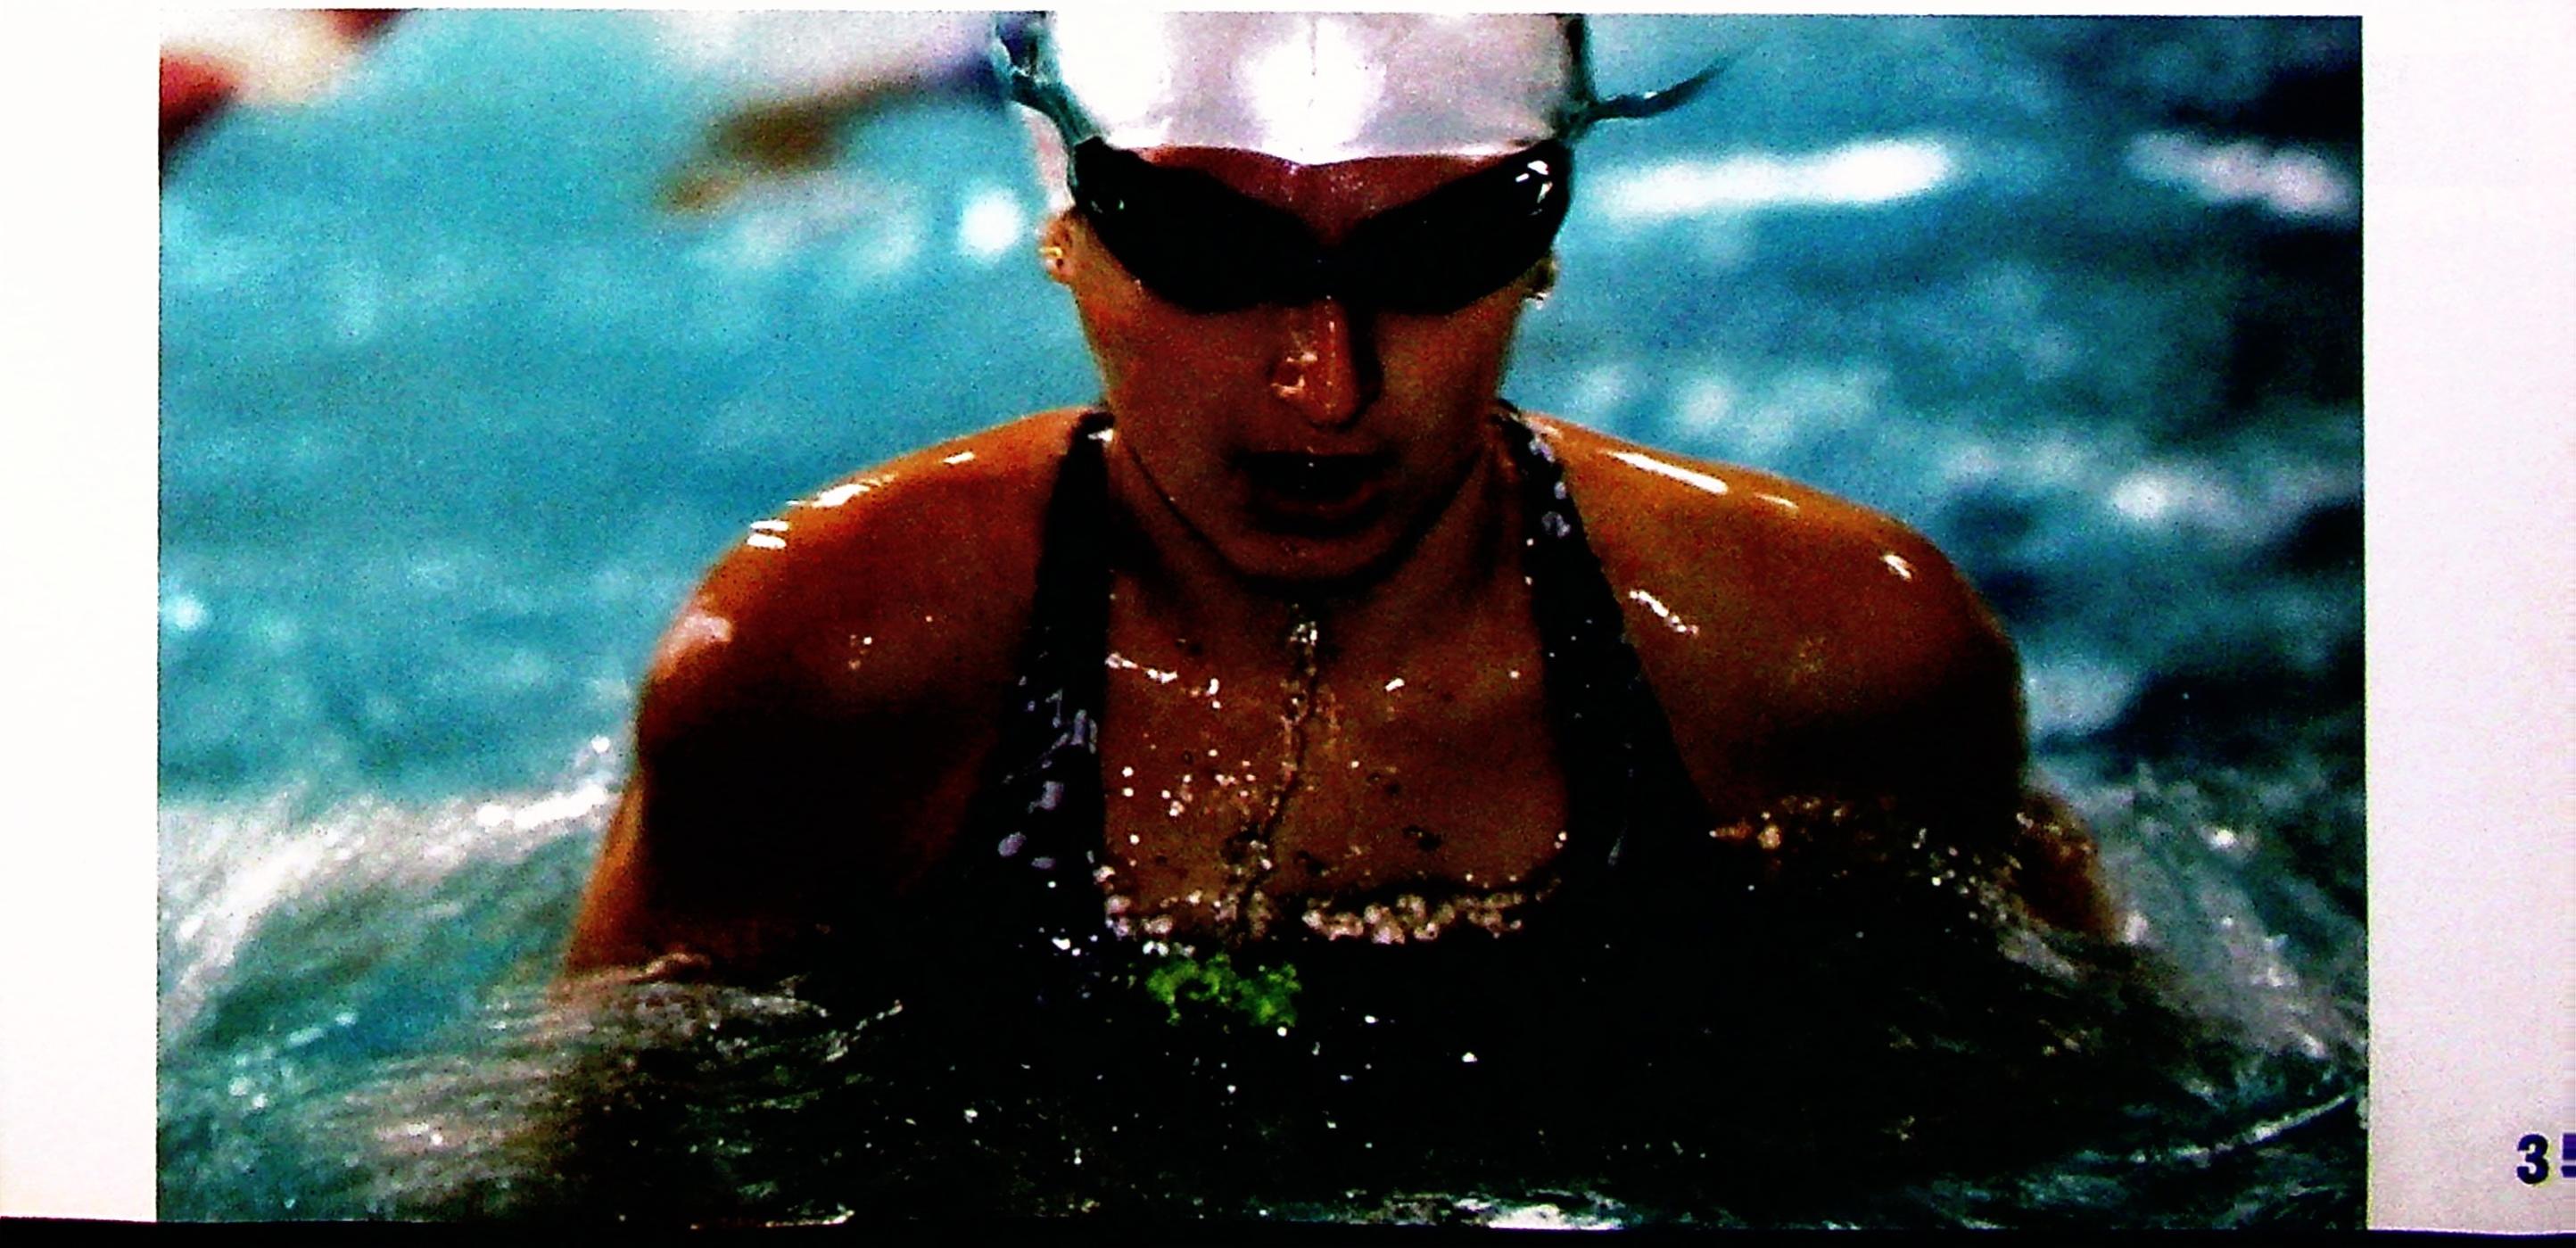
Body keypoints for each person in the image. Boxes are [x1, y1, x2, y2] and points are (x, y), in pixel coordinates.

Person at [562, 12, 2109, 993]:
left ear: (1544, 243)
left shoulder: (1824, 664)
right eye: (1207, 254)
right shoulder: (830, 669)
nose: (1327, 382)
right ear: (1067, 235)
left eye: (1438, 256)